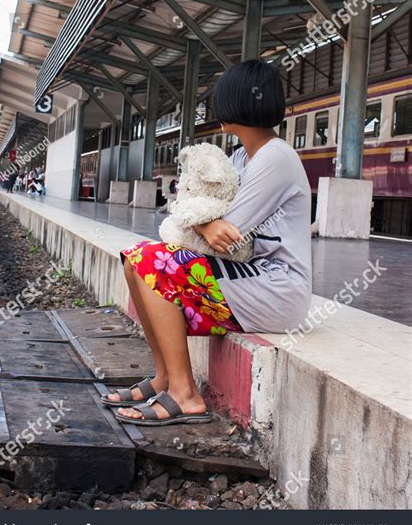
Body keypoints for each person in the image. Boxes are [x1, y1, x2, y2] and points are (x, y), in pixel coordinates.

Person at [104, 60, 312, 427]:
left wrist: (202, 220)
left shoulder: (275, 158)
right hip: (250, 275)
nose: (216, 110)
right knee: (134, 259)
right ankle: (165, 378)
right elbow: (192, 211)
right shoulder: (238, 157)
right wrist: (203, 220)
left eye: (221, 100)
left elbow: (225, 236)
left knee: (156, 263)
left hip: (278, 288)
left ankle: (185, 395)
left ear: (240, 103)